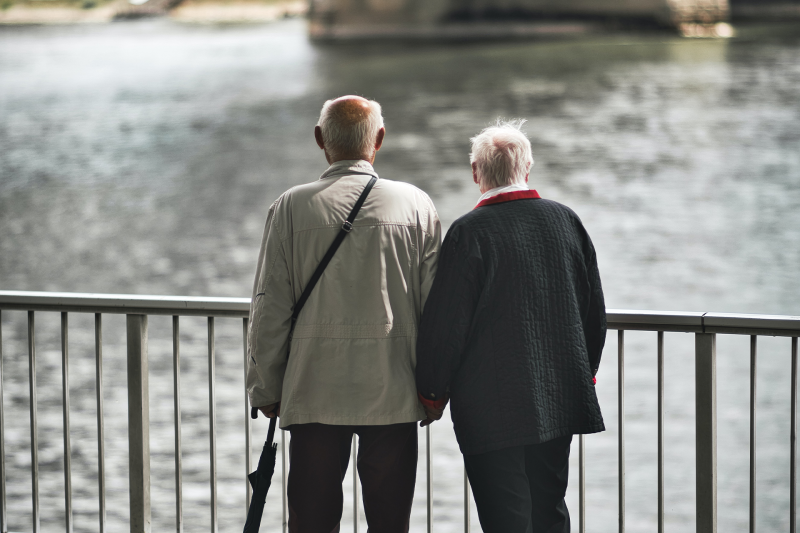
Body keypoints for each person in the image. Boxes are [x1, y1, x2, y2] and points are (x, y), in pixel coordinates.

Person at [246, 95, 441, 533]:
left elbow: (270, 306)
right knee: (390, 524)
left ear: (320, 139)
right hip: (392, 390)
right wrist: (434, 388)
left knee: (312, 523)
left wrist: (265, 386)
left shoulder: (290, 208)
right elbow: (436, 309)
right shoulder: (416, 206)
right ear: (380, 139)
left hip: (314, 389)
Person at [415, 120, 606, 533]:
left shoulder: (468, 232)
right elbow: (593, 311)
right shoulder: (565, 220)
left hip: (490, 405)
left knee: (505, 517)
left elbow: (446, 323)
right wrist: (584, 373)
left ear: (475, 173)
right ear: (528, 167)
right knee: (550, 508)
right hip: (557, 395)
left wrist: (431, 390)